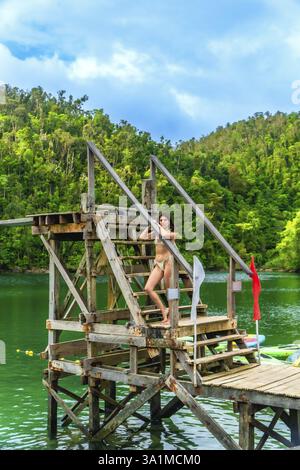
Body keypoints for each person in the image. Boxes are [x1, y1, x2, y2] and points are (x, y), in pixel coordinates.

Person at [139, 214, 178, 324]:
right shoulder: (157, 233)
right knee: (148, 288)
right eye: (160, 220)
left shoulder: (173, 234)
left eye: (165, 219)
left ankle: (171, 316)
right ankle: (164, 310)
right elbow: (142, 237)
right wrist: (150, 226)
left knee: (169, 290)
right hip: (158, 263)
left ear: (169, 222)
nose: (162, 221)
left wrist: (158, 227)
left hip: (168, 261)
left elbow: (165, 235)